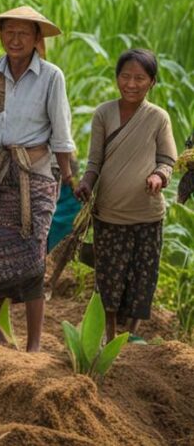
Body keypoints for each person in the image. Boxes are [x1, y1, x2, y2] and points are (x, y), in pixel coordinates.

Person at [0, 6, 74, 353]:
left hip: (33, 176)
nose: (15, 39)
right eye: (9, 32)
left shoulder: (51, 77)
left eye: (23, 33)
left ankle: (34, 343)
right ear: (0, 35)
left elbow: (62, 135)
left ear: (37, 38)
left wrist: (66, 177)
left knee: (33, 255)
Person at [75, 49, 176, 342]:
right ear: (117, 78)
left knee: (141, 278)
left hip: (147, 216)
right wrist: (85, 184)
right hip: (109, 214)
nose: (131, 84)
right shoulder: (104, 113)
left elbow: (167, 161)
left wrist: (159, 177)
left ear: (152, 82)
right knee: (108, 279)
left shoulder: (158, 118)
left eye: (140, 78)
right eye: (125, 76)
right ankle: (107, 334)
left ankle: (131, 335)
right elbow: (94, 162)